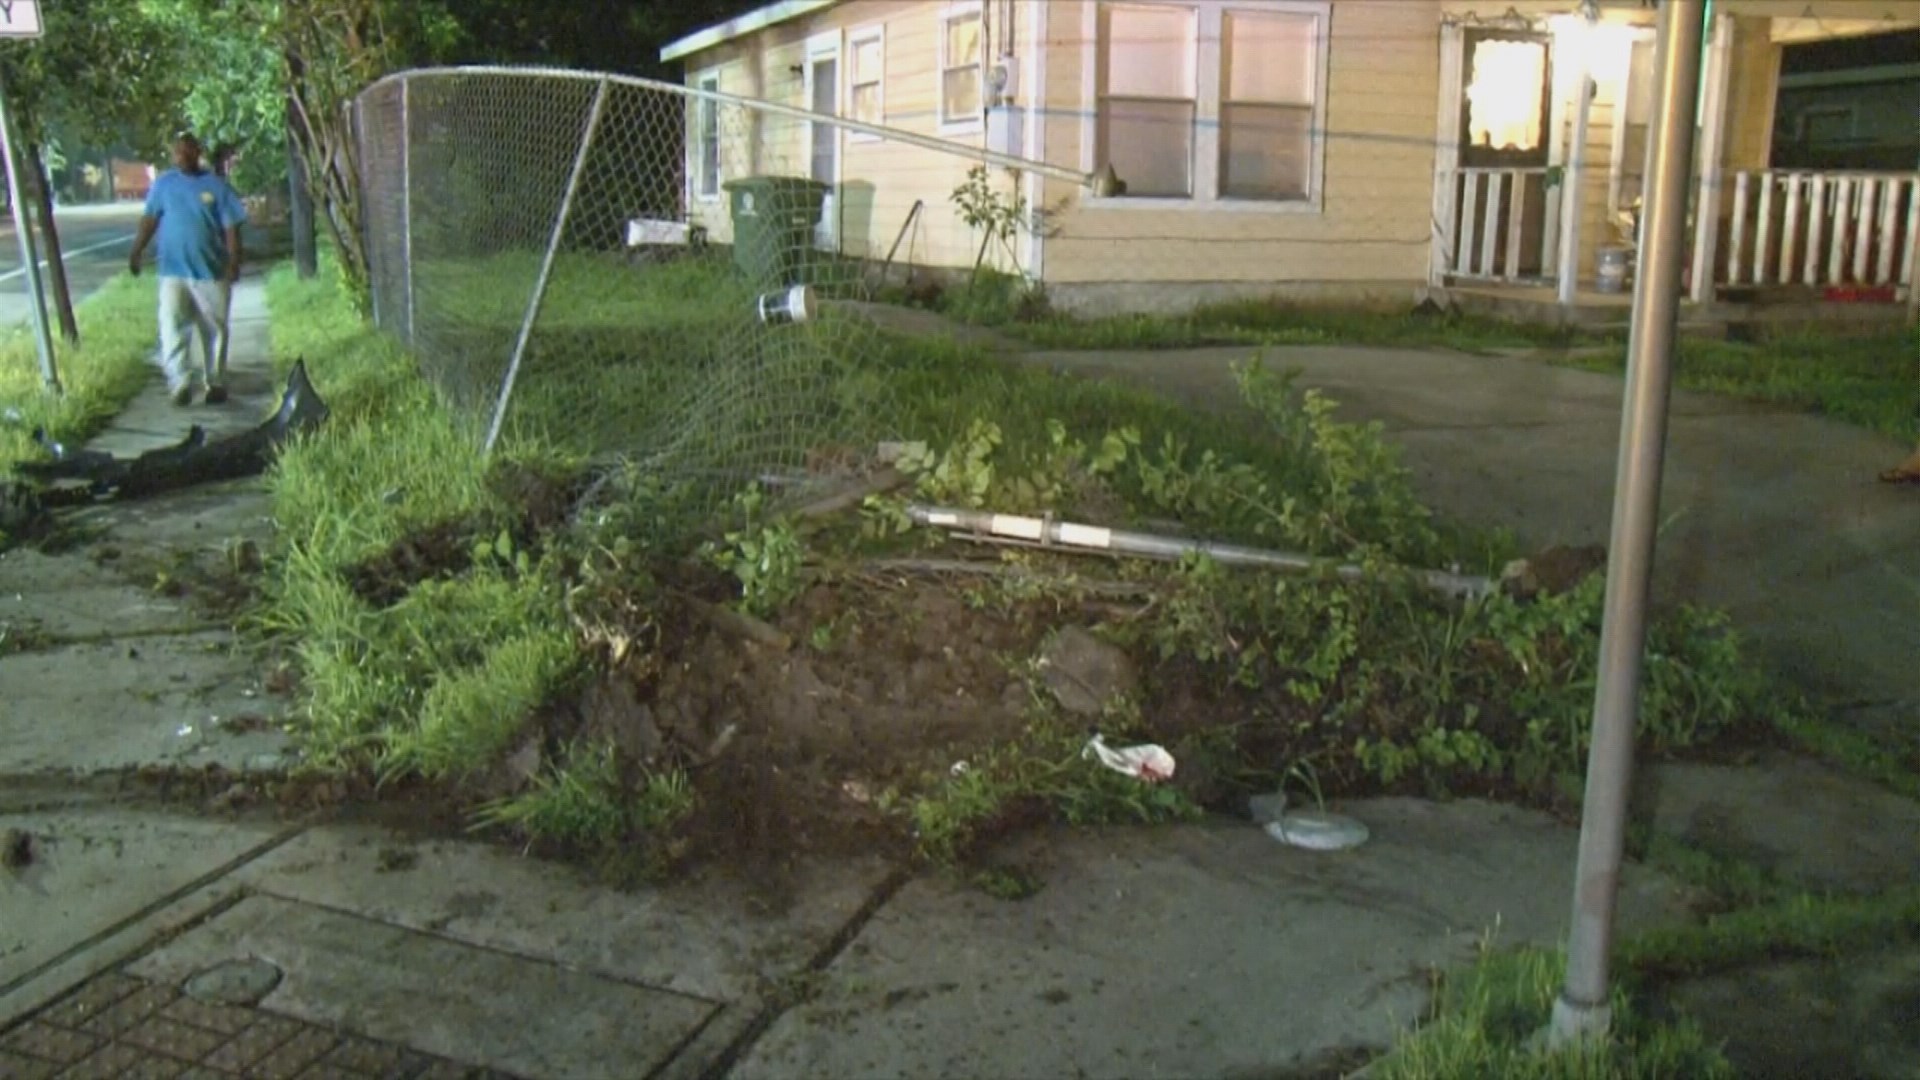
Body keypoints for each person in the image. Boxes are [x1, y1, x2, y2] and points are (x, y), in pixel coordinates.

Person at [127, 132, 248, 406]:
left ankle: (215, 382)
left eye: (187, 151)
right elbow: (149, 219)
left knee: (214, 329)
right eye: (177, 151)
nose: (181, 156)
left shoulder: (216, 186)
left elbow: (232, 227)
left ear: (197, 153)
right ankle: (179, 383)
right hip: (173, 271)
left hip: (211, 271)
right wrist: (137, 250)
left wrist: (234, 261)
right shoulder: (164, 185)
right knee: (171, 326)